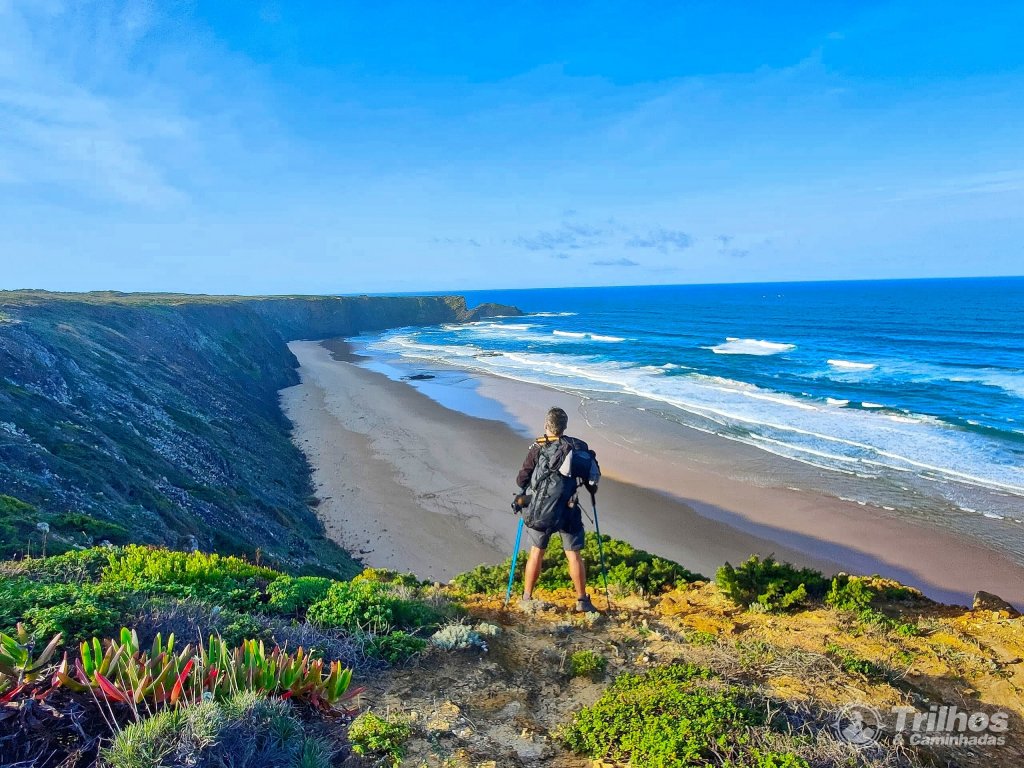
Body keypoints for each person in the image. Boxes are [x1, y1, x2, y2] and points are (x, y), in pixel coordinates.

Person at [515, 406, 599, 613]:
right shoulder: (578, 447)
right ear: (565, 427)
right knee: (574, 555)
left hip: (542, 509)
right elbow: (591, 482)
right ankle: (582, 600)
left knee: (536, 553)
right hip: (569, 509)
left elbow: (521, 479)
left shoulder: (538, 447)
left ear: (546, 426)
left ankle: (527, 597)